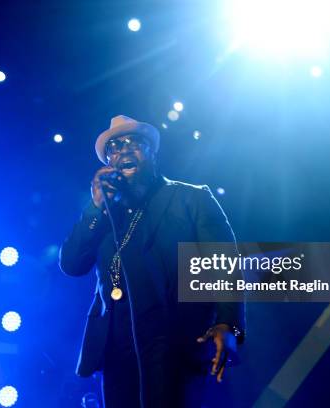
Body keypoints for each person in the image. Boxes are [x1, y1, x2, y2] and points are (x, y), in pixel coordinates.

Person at [59, 115, 245, 408]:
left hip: (172, 340)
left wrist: (228, 325)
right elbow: (72, 264)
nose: (123, 151)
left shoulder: (190, 199)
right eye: (115, 148)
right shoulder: (106, 212)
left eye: (134, 143)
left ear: (152, 152)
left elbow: (224, 266)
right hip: (117, 348)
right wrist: (95, 209)